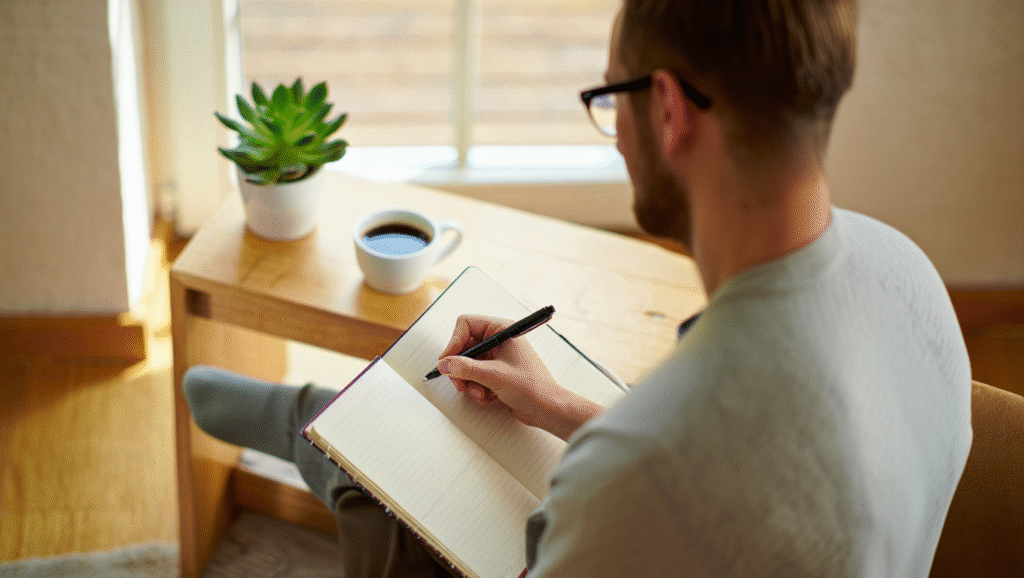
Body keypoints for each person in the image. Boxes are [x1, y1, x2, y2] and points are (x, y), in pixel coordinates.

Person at [186, 0, 973, 576]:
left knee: (386, 508)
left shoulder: (638, 476)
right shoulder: (908, 276)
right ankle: (328, 434)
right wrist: (560, 407)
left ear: (669, 111)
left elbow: (672, 477)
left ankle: (327, 444)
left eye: (611, 98)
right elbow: (755, 482)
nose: (616, 129)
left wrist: (586, 487)